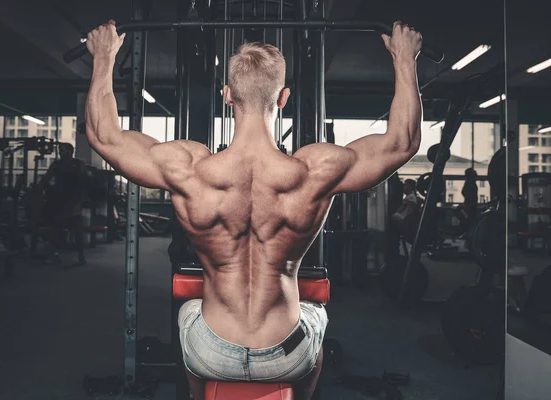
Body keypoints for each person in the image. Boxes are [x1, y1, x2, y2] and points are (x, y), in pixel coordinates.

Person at [84, 20, 422, 400]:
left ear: (227, 95)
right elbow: (401, 143)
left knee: (188, 309)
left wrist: (104, 57)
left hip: (210, 351)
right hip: (286, 355)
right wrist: (404, 58)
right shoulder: (314, 171)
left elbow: (103, 136)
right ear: (283, 98)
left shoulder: (188, 168)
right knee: (318, 321)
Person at [39, 143, 87, 266]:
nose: (60, 152)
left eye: (63, 150)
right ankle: (53, 255)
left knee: (77, 231)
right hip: (60, 200)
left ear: (71, 151)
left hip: (74, 200)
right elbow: (46, 179)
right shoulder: (56, 165)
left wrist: (79, 199)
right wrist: (46, 189)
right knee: (56, 230)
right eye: (60, 150)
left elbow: (83, 182)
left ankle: (81, 257)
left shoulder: (78, 164)